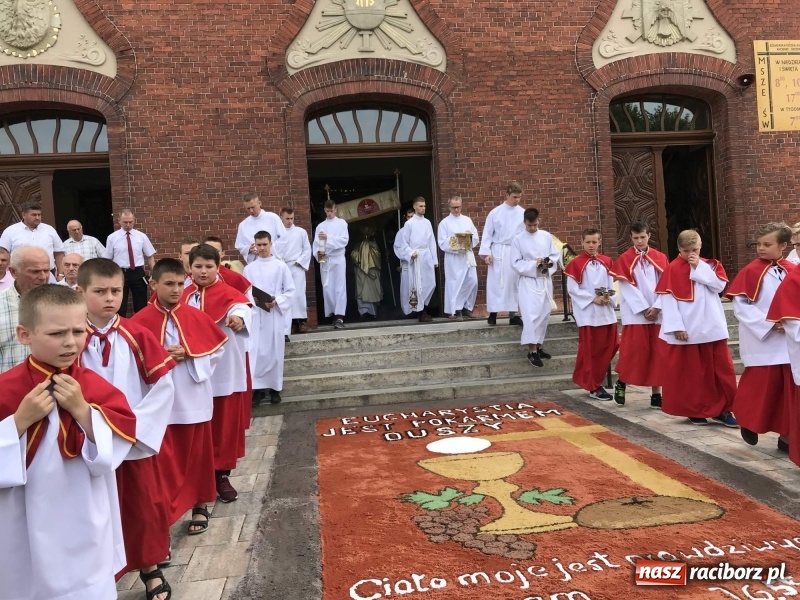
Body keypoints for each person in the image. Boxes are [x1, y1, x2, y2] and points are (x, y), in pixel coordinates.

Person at [0, 284, 136, 600]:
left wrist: (83, 411)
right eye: (57, 333)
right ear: (24, 334)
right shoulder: (7, 388)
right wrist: (18, 422)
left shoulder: (91, 385)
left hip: (85, 509)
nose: (71, 342)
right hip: (22, 517)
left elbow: (118, 444)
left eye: (78, 331)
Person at [77, 258, 176, 600]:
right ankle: (100, 574)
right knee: (95, 511)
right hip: (88, 440)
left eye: (116, 291)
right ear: (81, 291)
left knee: (142, 506)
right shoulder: (71, 337)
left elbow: (163, 387)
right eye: (100, 291)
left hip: (132, 440)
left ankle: (150, 566)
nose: (110, 298)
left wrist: (134, 429)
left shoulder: (137, 335)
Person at [131, 258, 227, 535]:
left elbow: (216, 352)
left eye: (180, 284)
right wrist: (160, 356)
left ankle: (200, 503)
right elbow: (132, 360)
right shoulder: (138, 322)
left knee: (197, 455)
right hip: (159, 402)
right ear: (153, 284)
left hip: (192, 394)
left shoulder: (196, 316)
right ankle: (167, 512)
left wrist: (191, 354)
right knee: (166, 461)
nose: (176, 290)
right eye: (169, 284)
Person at [182, 244, 251, 503]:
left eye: (209, 266)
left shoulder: (228, 293)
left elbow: (240, 307)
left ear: (217, 267)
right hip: (191, 369)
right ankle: (197, 477)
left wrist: (239, 319)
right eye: (198, 266)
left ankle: (221, 475)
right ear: (189, 268)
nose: (203, 271)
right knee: (195, 424)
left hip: (223, 370)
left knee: (222, 424)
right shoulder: (182, 295)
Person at [654, 230, 737, 426]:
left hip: (712, 327)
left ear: (700, 247)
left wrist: (699, 267)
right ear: (679, 249)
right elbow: (668, 301)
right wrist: (676, 327)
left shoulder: (711, 265)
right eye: (687, 251)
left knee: (721, 371)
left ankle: (723, 409)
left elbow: (719, 287)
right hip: (688, 330)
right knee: (692, 374)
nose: (691, 254)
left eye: (695, 250)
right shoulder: (672, 269)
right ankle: (694, 410)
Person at [726, 223, 795, 449]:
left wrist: (791, 321)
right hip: (762, 340)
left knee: (787, 394)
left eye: (767, 244)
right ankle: (748, 420)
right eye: (758, 244)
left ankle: (786, 438)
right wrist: (768, 323)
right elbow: (741, 305)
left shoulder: (793, 270)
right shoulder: (750, 271)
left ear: (783, 245)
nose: (761, 249)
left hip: (788, 339)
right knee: (758, 387)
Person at [610, 222, 668, 407]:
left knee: (657, 354)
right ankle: (622, 382)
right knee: (633, 352)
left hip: (657, 312)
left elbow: (666, 284)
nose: (640, 241)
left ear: (649, 235)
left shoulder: (660, 257)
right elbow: (626, 287)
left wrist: (657, 306)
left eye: (643, 237)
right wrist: (643, 308)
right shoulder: (625, 259)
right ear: (631, 238)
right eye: (636, 238)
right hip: (636, 314)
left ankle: (656, 394)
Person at [564, 228, 619, 401]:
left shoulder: (606, 261)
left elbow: (611, 284)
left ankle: (594, 380)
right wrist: (592, 299)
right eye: (588, 242)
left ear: (599, 242)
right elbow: (573, 289)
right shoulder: (575, 264)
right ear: (582, 243)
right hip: (588, 313)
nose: (591, 245)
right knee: (590, 351)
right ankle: (594, 386)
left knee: (612, 345)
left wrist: (608, 297)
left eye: (594, 242)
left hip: (606, 311)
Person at [243, 231, 295, 405]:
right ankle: (257, 390)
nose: (262, 248)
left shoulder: (281, 266)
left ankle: (274, 388)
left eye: (265, 244)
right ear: (255, 246)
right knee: (256, 352)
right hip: (256, 316)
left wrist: (277, 301)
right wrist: (253, 300)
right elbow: (244, 292)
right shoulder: (249, 269)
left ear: (271, 244)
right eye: (259, 245)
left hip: (274, 315)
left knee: (274, 352)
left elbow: (290, 290)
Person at [510, 208, 560, 367]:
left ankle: (538, 347)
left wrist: (546, 262)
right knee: (531, 316)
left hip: (544, 279)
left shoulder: (545, 236)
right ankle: (531, 351)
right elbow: (515, 263)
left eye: (535, 225)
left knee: (543, 314)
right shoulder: (518, 239)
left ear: (539, 221)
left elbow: (554, 256)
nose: (532, 228)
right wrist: (534, 264)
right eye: (529, 225)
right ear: (524, 222)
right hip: (528, 281)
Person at [478, 182, 525, 326]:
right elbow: (487, 234)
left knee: (513, 283)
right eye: (514, 197)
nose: (517, 200)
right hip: (498, 251)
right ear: (507, 195)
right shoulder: (496, 212)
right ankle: (493, 313)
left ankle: (513, 315)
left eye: (519, 197)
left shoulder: (522, 213)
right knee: (496, 284)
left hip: (514, 251)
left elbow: (525, 235)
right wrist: (486, 253)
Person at [0, 246, 51, 372]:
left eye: (46, 270)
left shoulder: (61, 304)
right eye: (35, 272)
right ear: (13, 272)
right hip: (7, 383)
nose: (43, 277)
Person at [103, 209, 156, 316]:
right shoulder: (112, 238)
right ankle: (120, 324)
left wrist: (155, 274)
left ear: (134, 220)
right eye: (125, 222)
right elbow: (107, 260)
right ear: (119, 221)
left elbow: (150, 257)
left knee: (141, 305)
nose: (128, 225)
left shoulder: (141, 236)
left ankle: (140, 325)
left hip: (137, 272)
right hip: (120, 273)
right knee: (120, 305)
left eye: (130, 222)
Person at [394, 196, 438, 323]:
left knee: (430, 284)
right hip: (416, 256)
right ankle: (421, 312)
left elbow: (431, 241)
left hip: (426, 255)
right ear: (414, 207)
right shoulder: (409, 224)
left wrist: (434, 260)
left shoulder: (427, 222)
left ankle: (422, 308)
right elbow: (404, 243)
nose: (423, 208)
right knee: (418, 285)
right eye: (420, 206)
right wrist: (411, 253)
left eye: (424, 206)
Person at [437, 195, 480, 320]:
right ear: (449, 207)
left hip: (467, 255)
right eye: (454, 207)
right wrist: (457, 241)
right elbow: (442, 242)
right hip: (454, 257)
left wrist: (468, 239)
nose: (456, 210)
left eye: (458, 207)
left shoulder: (467, 220)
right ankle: (457, 309)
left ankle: (467, 307)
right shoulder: (444, 223)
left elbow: (475, 237)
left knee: (472, 281)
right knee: (456, 283)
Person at [0, 200, 64, 276]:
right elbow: (3, 254)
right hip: (21, 274)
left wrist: (61, 274)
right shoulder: (10, 231)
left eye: (39, 215)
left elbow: (59, 253)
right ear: (24, 215)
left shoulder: (49, 230)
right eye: (34, 215)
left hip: (47, 273)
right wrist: (6, 276)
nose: (37, 217)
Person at [312, 200, 349, 329]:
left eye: (331, 211)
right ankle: (333, 313)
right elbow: (316, 245)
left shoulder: (342, 223)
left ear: (335, 209)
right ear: (324, 210)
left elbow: (344, 240)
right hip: (326, 260)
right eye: (327, 211)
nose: (329, 213)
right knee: (327, 288)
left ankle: (340, 316)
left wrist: (328, 238)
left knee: (339, 287)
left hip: (338, 259)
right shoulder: (320, 226)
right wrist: (320, 255)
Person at [274, 206, 311, 333]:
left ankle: (302, 320)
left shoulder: (301, 232)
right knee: (286, 294)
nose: (290, 221)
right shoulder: (277, 234)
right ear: (281, 218)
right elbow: (274, 250)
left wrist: (300, 261)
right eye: (287, 218)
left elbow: (307, 249)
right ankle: (292, 323)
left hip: (296, 265)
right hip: (283, 265)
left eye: (292, 218)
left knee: (299, 293)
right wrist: (279, 262)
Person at [235, 192, 286, 265]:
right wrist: (249, 249)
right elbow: (239, 245)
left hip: (274, 261)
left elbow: (284, 239)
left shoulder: (273, 218)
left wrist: (269, 248)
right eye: (248, 208)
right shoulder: (243, 225)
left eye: (253, 207)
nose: (251, 211)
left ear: (259, 203)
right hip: (255, 263)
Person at [351, 226, 383, 319]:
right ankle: (364, 311)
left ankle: (373, 312)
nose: (366, 232)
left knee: (371, 291)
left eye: (368, 230)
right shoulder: (358, 245)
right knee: (362, 291)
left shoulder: (374, 244)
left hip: (372, 270)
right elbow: (354, 256)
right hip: (360, 271)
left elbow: (377, 257)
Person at [394, 207, 416, 317]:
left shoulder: (420, 230)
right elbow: (397, 247)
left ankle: (419, 311)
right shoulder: (401, 232)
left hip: (418, 264)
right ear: (405, 218)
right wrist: (408, 256)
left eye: (412, 217)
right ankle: (407, 312)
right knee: (406, 289)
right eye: (409, 217)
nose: (410, 219)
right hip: (407, 264)